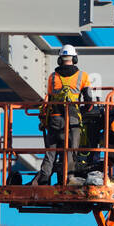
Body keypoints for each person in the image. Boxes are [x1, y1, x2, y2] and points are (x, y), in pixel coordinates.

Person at [35, 46, 93, 186]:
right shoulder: (82, 76)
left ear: (60, 59)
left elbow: (48, 98)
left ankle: (44, 177)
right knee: (71, 149)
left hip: (55, 117)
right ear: (74, 58)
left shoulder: (53, 77)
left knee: (51, 150)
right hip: (72, 118)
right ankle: (68, 177)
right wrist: (84, 113)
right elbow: (89, 101)